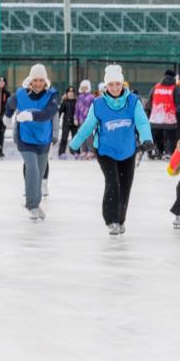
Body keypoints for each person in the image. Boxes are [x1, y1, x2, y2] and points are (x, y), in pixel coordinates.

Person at [68, 64, 154, 234]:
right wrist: (75, 144)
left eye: (118, 84)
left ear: (123, 84)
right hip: (105, 151)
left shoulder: (133, 102)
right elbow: (87, 126)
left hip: (128, 150)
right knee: (113, 182)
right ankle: (111, 220)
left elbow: (142, 122)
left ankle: (120, 219)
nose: (115, 88)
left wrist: (146, 138)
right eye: (111, 84)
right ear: (106, 86)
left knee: (125, 186)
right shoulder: (98, 104)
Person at [5, 64, 59, 221]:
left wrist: (31, 117)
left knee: (41, 173)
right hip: (25, 139)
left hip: (43, 140)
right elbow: (9, 103)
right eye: (35, 80)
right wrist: (8, 117)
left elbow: (49, 113)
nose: (38, 83)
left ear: (45, 81)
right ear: (30, 80)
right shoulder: (21, 94)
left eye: (41, 80)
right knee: (33, 169)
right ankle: (31, 205)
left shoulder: (52, 95)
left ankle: (36, 203)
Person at [146, 69, 180, 160]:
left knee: (155, 136)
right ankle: (171, 153)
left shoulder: (156, 87)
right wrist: (174, 107)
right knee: (171, 137)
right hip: (170, 117)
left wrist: (152, 110)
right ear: (174, 77)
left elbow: (149, 101)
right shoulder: (175, 87)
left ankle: (154, 152)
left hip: (156, 117)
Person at [73, 80, 95, 158]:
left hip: (89, 120)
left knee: (89, 136)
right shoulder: (80, 97)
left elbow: (94, 108)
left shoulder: (91, 97)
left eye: (85, 87)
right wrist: (75, 118)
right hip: (81, 119)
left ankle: (91, 150)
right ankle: (83, 150)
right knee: (82, 135)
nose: (84, 89)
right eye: (83, 87)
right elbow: (77, 108)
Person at [56, 86, 79, 158]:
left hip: (74, 123)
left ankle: (75, 152)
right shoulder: (65, 102)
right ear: (67, 94)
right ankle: (61, 153)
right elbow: (60, 112)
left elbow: (78, 112)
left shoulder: (76, 102)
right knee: (64, 138)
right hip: (66, 123)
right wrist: (57, 119)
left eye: (72, 93)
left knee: (75, 137)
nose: (70, 94)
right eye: (69, 93)